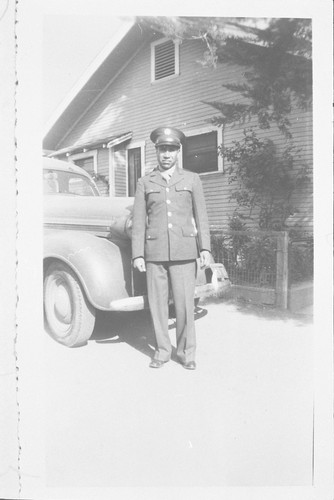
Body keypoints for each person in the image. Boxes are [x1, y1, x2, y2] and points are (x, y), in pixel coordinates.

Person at [131, 127, 211, 370]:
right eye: (162, 149)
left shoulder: (191, 179)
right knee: (157, 306)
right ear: (157, 152)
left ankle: (187, 354)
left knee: (185, 305)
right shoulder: (145, 182)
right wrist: (138, 253)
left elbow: (202, 216)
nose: (167, 154)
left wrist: (205, 248)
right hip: (154, 253)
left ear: (178, 152)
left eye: (171, 149)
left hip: (185, 251)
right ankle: (163, 351)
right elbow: (138, 220)